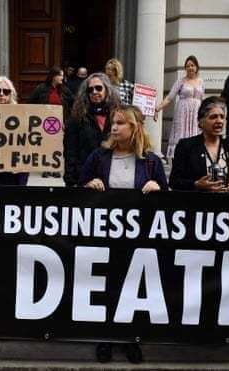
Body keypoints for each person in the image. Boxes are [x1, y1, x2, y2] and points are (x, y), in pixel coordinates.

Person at [79, 104, 167, 364]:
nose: (113, 127)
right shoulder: (99, 157)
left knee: (133, 289)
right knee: (106, 286)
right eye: (112, 123)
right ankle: (106, 337)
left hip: (139, 238)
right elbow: (76, 186)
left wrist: (157, 187)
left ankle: (131, 339)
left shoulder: (151, 161)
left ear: (135, 127)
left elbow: (168, 196)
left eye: (120, 123)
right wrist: (88, 185)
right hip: (104, 236)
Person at [169, 96, 229, 192]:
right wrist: (196, 185)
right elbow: (174, 182)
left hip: (228, 204)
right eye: (213, 117)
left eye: (222, 117)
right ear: (201, 122)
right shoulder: (186, 146)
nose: (219, 121)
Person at [64, 72, 121, 187]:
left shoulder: (118, 116)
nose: (94, 92)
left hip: (114, 178)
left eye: (98, 88)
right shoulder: (77, 117)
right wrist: (72, 181)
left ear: (107, 90)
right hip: (86, 179)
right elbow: (70, 151)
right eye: (90, 90)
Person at [155, 55, 205, 159]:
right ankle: (180, 158)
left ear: (196, 67)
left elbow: (202, 99)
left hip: (196, 113)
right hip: (183, 112)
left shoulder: (201, 82)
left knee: (195, 134)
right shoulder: (181, 81)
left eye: (192, 65)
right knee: (181, 134)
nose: (190, 68)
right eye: (188, 66)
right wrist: (158, 108)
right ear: (185, 68)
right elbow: (169, 97)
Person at [29, 66, 74, 178]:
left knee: (58, 146)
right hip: (44, 123)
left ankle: (55, 168)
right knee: (45, 145)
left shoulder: (64, 90)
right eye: (60, 75)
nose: (62, 78)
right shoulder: (41, 89)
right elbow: (31, 103)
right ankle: (45, 168)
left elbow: (73, 104)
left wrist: (67, 121)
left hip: (60, 124)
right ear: (54, 76)